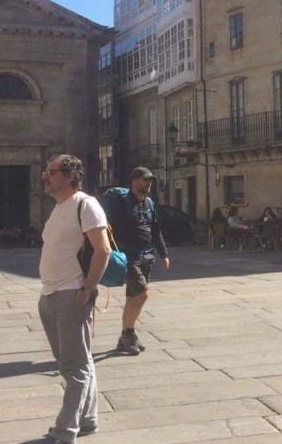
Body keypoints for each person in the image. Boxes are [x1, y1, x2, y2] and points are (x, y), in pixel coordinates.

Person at [39, 154, 111, 443]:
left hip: (72, 293)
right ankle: (88, 418)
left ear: (69, 176)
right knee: (76, 360)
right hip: (50, 294)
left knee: (74, 366)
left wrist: (87, 288)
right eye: (45, 171)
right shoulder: (59, 207)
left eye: (52, 172)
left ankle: (65, 430)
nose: (45, 176)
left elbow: (102, 250)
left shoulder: (86, 205)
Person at [105, 166, 170, 356]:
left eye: (150, 180)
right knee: (143, 294)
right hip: (128, 256)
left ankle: (125, 336)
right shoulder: (122, 204)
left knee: (132, 297)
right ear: (133, 180)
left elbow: (156, 231)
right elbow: (108, 228)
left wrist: (163, 254)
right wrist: (110, 252)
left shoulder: (149, 203)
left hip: (146, 257)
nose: (148, 183)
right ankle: (130, 333)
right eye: (144, 179)